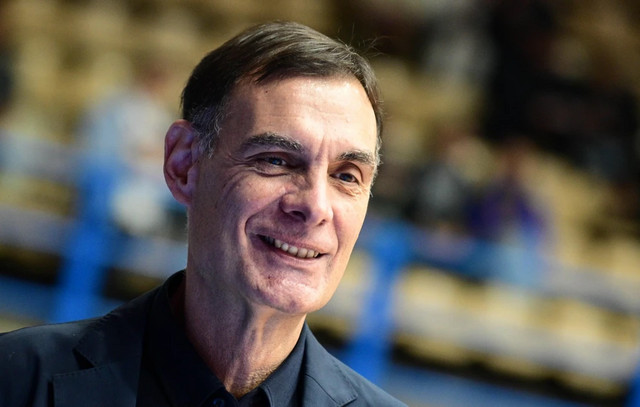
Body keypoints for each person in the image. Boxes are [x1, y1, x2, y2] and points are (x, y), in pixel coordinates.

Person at [0, 21, 406, 407]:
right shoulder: (16, 380)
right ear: (184, 164)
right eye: (276, 160)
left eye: (346, 176)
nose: (315, 206)